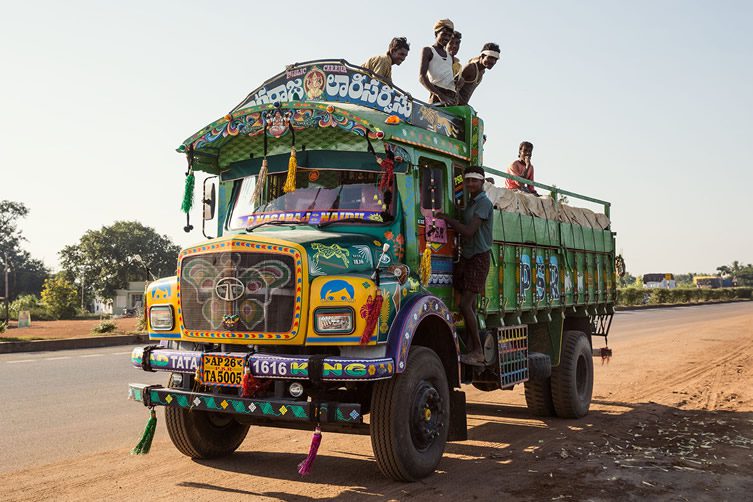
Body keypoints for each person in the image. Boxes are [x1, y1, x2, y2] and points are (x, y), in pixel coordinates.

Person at [437, 166, 494, 366]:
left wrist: (447, 219)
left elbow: (469, 231)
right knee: (463, 303)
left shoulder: (484, 203)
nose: (470, 184)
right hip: (468, 257)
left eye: (474, 181)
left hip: (479, 258)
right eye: (467, 180)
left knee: (465, 305)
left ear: (482, 182)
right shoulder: (471, 203)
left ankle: (478, 351)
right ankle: (470, 347)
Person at [419, 19, 458, 105]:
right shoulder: (428, 50)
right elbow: (422, 77)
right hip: (437, 97)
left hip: (451, 97)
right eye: (444, 34)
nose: (447, 38)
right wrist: (439, 95)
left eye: (449, 35)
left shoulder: (450, 56)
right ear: (436, 33)